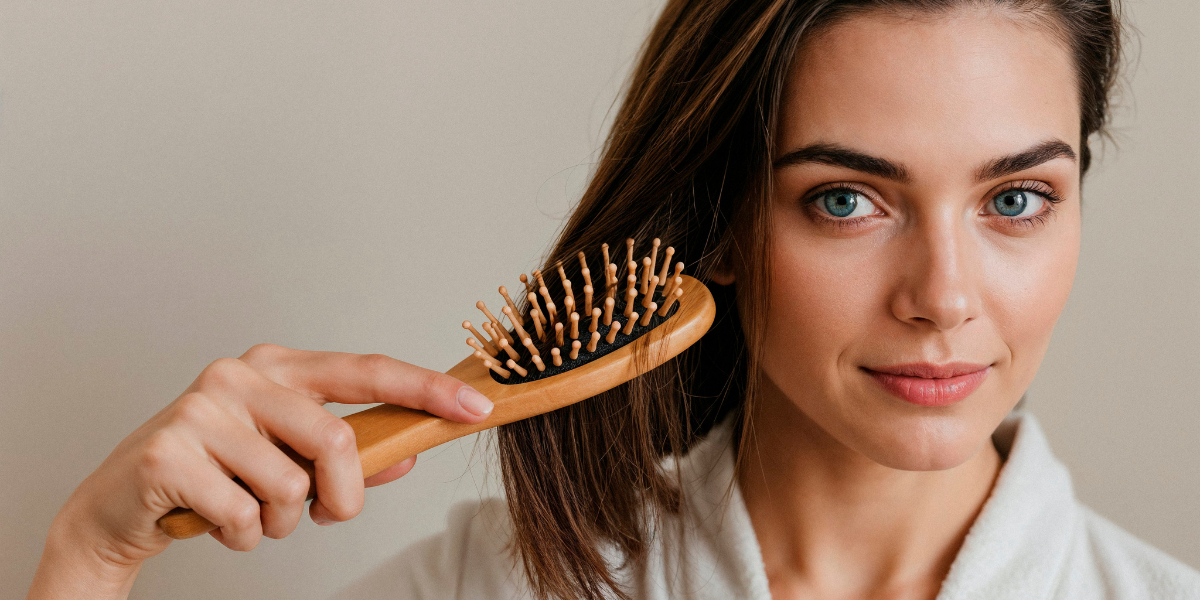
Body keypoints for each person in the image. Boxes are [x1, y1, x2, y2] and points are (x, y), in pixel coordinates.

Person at [26, 0, 1200, 599]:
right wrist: (89, 553)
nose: (944, 297)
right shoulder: (498, 585)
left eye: (1018, 200)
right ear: (726, 223)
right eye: (847, 200)